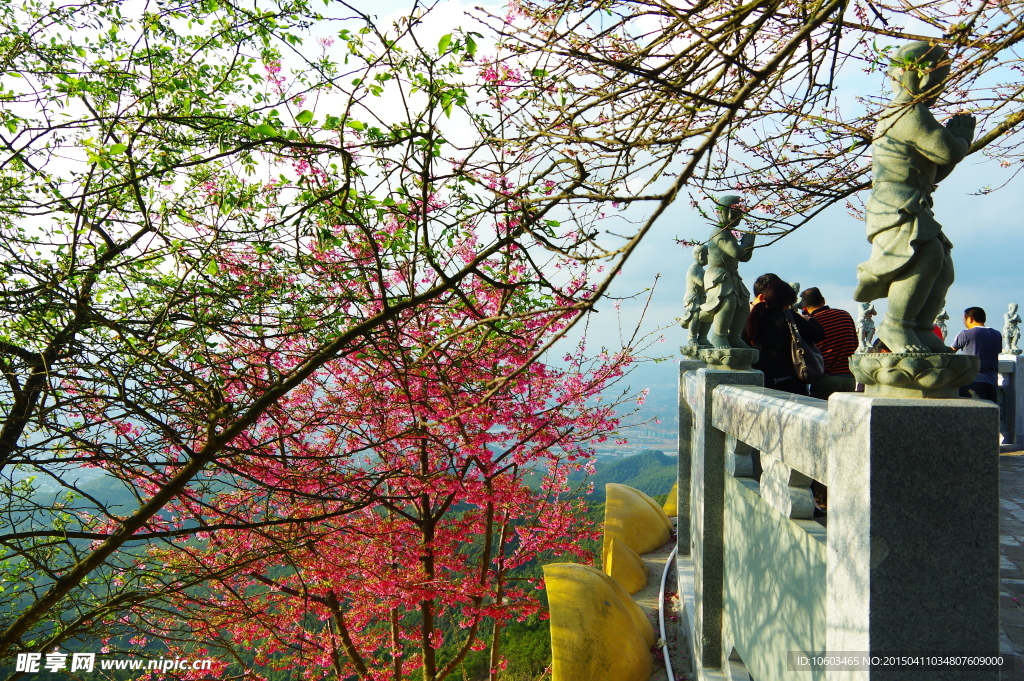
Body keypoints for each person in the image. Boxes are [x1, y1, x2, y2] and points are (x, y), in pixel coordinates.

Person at [853, 42, 975, 354]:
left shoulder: (908, 113)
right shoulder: (908, 112)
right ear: (919, 77)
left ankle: (920, 328)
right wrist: (961, 138)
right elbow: (946, 150)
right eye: (939, 80)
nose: (940, 89)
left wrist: (952, 149)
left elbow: (936, 169)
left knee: (942, 266)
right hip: (897, 204)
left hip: (912, 201)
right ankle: (897, 324)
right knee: (924, 256)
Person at [743, 274, 824, 396]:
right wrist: (808, 319)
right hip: (789, 381)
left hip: (763, 380)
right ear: (785, 302)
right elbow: (819, 334)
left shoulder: (751, 318)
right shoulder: (787, 316)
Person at [699, 195, 756, 349]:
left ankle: (734, 335)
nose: (738, 218)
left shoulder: (729, 232)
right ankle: (719, 335)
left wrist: (749, 245)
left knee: (743, 303)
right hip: (719, 275)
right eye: (736, 213)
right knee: (727, 302)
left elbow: (744, 258)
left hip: (732, 275)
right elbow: (736, 252)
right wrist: (745, 244)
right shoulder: (720, 232)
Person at [799, 287, 859, 399]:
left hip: (826, 379)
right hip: (849, 379)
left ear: (805, 308)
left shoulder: (812, 322)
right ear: (823, 300)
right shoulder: (845, 315)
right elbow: (855, 344)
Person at [951, 307, 1001, 403]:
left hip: (972, 382)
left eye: (964, 319)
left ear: (970, 319)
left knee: (974, 415)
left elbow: (950, 352)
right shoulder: (997, 334)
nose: (964, 322)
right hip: (992, 381)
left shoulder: (965, 334)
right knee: (990, 414)